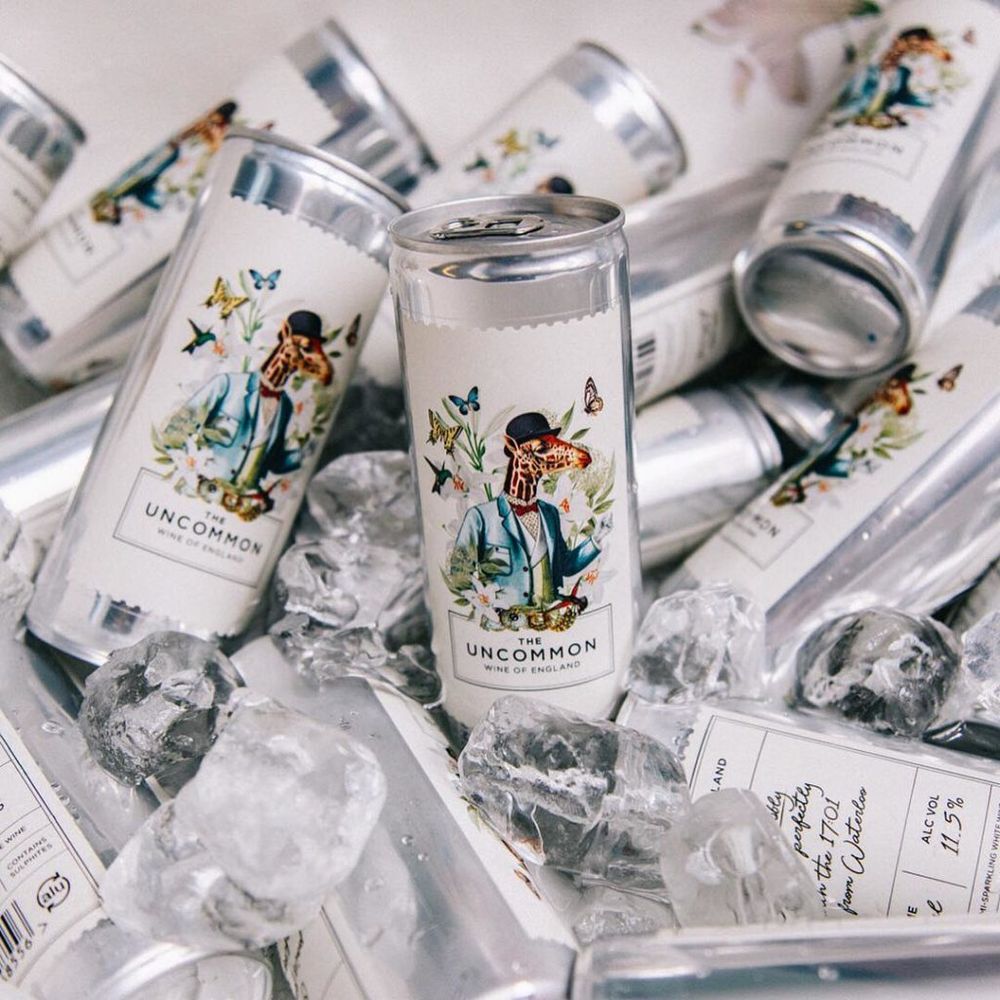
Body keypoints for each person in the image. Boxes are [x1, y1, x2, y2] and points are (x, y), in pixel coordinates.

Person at [452, 412, 607, 609]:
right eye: (542, 449)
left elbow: (565, 565)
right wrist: (491, 609)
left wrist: (597, 539)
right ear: (515, 450)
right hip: (505, 623)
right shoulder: (481, 518)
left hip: (550, 619)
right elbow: (459, 575)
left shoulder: (550, 514)